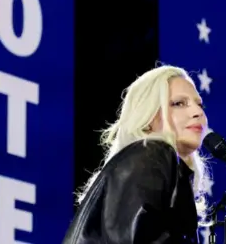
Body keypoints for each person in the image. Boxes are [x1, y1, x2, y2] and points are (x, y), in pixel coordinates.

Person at [62, 65, 213, 244]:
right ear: (148, 117)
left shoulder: (153, 162)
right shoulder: (153, 152)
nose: (198, 112)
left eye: (199, 104)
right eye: (178, 103)